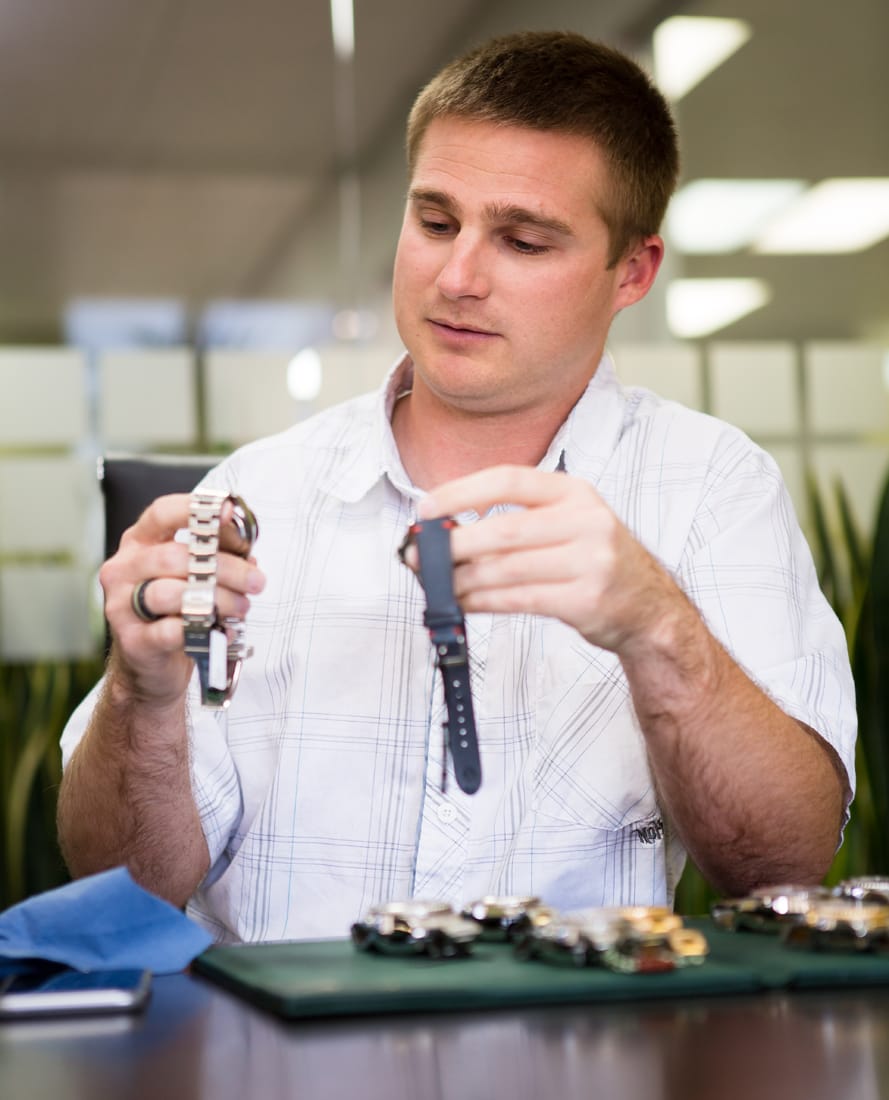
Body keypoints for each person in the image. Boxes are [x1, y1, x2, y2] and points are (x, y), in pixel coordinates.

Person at [57, 31, 856, 943]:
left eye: (521, 241)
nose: (457, 276)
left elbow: (783, 866)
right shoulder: (253, 494)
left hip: (578, 1070)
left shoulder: (713, 487)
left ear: (631, 271)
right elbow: (125, 886)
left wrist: (656, 629)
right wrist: (140, 694)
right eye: (434, 222)